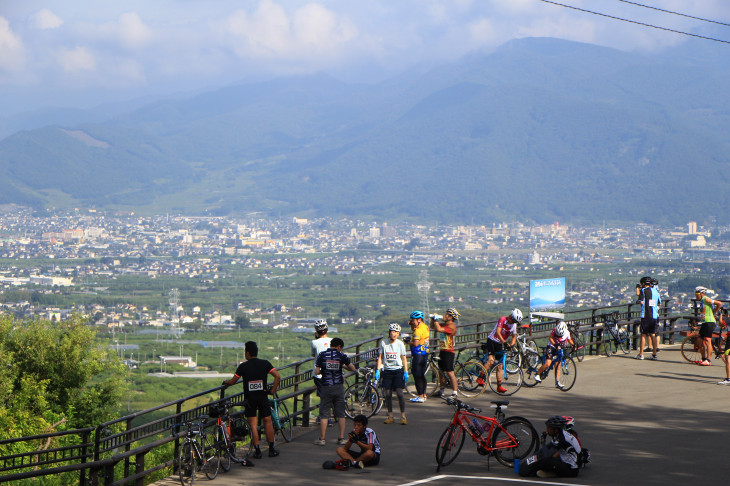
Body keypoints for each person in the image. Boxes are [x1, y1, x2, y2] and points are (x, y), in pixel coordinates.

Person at [222, 341, 281, 458]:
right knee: (267, 421)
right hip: (263, 396)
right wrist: (272, 390)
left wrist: (226, 382)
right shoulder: (265, 364)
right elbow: (277, 376)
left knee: (253, 425)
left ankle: (257, 450)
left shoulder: (243, 366)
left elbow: (233, 381)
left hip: (250, 398)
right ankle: (271, 449)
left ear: (247, 353)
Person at [314, 337, 357, 446]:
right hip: (338, 387)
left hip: (326, 387)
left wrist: (325, 370)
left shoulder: (322, 355)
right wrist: (342, 366)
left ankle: (322, 439)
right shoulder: (341, 356)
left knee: (324, 414)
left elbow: (317, 371)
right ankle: (341, 438)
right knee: (341, 414)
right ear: (339, 347)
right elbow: (352, 368)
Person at [376, 323, 408, 424]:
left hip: (398, 370)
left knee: (399, 393)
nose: (395, 334)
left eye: (397, 332)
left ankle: (403, 416)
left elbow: (404, 358)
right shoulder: (383, 343)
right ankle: (391, 416)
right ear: (389, 332)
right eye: (393, 332)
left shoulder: (400, 344)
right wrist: (378, 370)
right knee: (388, 394)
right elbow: (380, 357)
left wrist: (406, 371)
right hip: (387, 371)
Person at [484, 308, 522, 394]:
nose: (514, 323)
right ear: (510, 317)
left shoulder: (514, 325)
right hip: (492, 340)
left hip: (499, 343)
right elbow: (498, 332)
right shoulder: (503, 319)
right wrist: (504, 342)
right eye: (513, 320)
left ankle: (499, 386)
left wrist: (512, 345)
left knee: (500, 366)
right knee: (491, 361)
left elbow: (514, 336)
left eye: (515, 322)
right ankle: (480, 376)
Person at [533, 321, 574, 390]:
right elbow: (550, 338)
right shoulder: (555, 330)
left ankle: (557, 382)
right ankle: (537, 374)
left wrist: (573, 345)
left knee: (558, 366)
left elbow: (570, 340)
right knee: (548, 364)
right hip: (551, 347)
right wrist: (554, 344)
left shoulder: (567, 333)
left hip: (558, 349)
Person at [431, 308, 460, 397]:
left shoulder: (451, 327)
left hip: (449, 352)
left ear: (450, 317)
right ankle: (441, 390)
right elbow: (433, 327)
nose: (444, 315)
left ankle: (455, 392)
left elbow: (439, 329)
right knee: (441, 371)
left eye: (446, 314)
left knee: (450, 372)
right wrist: (433, 319)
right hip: (443, 351)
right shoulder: (445, 324)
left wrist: (436, 319)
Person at [311, 319, 333, 426]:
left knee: (323, 396)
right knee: (328, 395)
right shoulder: (333, 341)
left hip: (318, 373)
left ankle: (324, 417)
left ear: (316, 331)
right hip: (331, 372)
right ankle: (327, 417)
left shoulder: (314, 342)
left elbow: (313, 355)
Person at [695, 286, 722, 366]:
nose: (696, 296)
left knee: (707, 340)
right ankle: (703, 358)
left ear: (702, 293)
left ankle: (708, 360)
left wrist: (715, 311)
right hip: (704, 322)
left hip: (709, 322)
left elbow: (719, 303)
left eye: (697, 294)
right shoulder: (702, 300)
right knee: (700, 340)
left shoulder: (706, 299)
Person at [635, 276, 661, 360]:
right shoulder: (656, 292)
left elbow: (639, 297)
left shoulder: (643, 290)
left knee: (643, 335)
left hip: (645, 315)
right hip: (654, 315)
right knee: (653, 334)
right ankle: (654, 354)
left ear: (643, 284)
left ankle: (641, 354)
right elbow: (659, 303)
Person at [407, 310, 430, 403]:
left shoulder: (417, 330)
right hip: (425, 354)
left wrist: (407, 341)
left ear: (419, 319)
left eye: (413, 320)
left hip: (417, 355)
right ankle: (424, 395)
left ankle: (420, 396)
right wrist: (411, 324)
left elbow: (415, 343)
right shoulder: (425, 327)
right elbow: (415, 329)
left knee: (417, 376)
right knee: (422, 376)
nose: (412, 321)